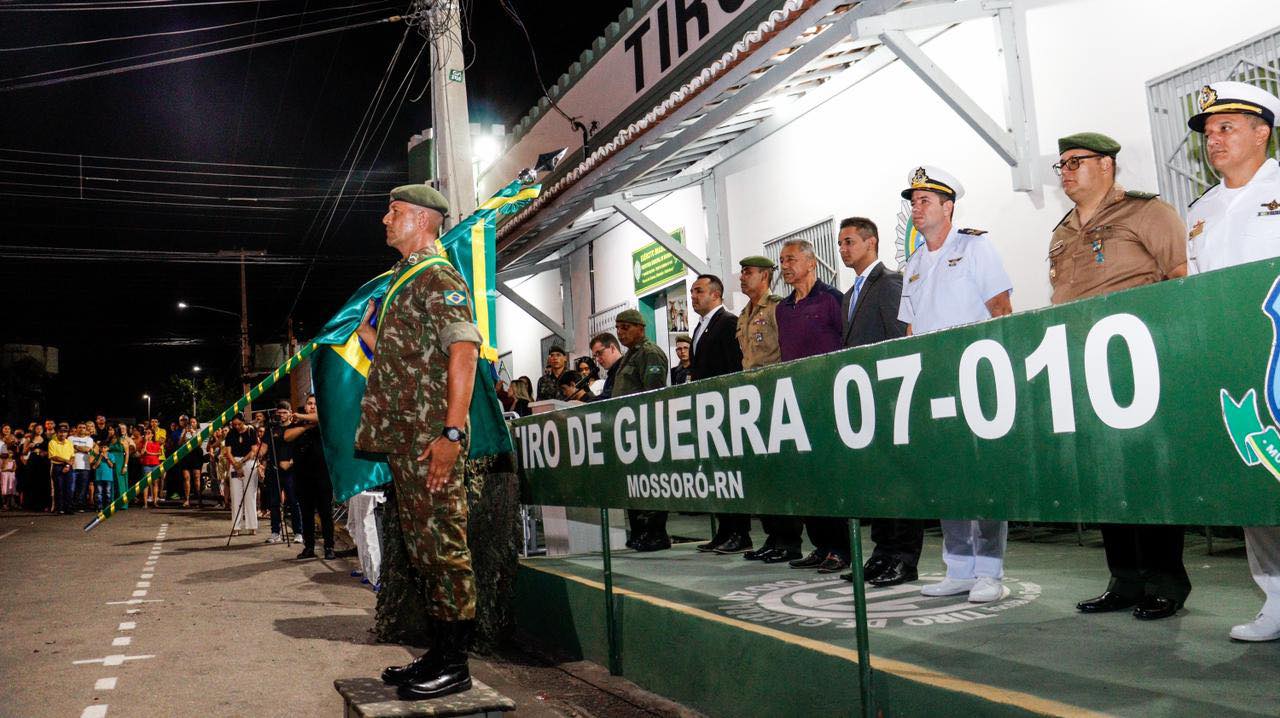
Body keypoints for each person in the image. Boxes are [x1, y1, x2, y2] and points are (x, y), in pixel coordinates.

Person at [1043, 131, 1191, 620]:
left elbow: (1180, 279)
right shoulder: (1062, 230)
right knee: (1106, 477)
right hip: (1082, 365)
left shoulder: (1149, 213)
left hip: (1138, 361)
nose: (1065, 171)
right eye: (1060, 165)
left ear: (1106, 165)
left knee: (1149, 475)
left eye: (1075, 162)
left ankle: (1165, 581)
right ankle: (1125, 579)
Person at [357, 183, 479, 700]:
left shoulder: (439, 276)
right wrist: (369, 335)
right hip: (409, 440)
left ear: (424, 220)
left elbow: (464, 351)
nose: (386, 218)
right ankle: (438, 651)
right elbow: (403, 352)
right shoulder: (403, 280)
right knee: (423, 551)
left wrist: (452, 432)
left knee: (444, 549)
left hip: (432, 439)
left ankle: (456, 662)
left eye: (396, 211)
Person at [1181, 82, 1280, 640]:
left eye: (1227, 127)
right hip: (1235, 359)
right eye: (1208, 132)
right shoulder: (1201, 210)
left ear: (1262, 131)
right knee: (1257, 475)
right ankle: (1276, 600)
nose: (1213, 140)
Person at [898, 165, 1013, 603]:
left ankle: (990, 570)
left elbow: (1001, 308)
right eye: (913, 200)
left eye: (925, 199)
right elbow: (909, 330)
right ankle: (959, 566)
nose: (916, 206)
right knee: (947, 473)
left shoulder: (975, 247)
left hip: (975, 374)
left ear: (949, 206)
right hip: (933, 380)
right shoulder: (912, 263)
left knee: (982, 474)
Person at [833, 217, 921, 587]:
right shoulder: (849, 294)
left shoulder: (889, 283)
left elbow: (898, 340)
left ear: (872, 242)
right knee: (878, 482)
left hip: (889, 397)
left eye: (849, 241)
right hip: (864, 398)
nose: (843, 249)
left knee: (899, 480)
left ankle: (903, 558)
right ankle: (882, 554)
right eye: (840, 243)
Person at [774, 239, 849, 574]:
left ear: (811, 262)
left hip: (829, 399)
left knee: (832, 477)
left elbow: (847, 344)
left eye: (791, 259)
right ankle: (821, 545)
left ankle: (842, 549)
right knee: (808, 478)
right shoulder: (782, 308)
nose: (785, 266)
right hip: (797, 401)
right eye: (782, 261)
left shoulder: (832, 299)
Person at [735, 255, 803, 564]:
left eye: (748, 272)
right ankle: (773, 537)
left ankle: (789, 541)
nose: (742, 277)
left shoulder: (776, 308)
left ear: (765, 276)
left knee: (782, 474)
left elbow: (786, 351)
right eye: (742, 272)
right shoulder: (744, 314)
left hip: (776, 395)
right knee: (762, 475)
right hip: (753, 400)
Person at [687, 274, 748, 554]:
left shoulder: (727, 323)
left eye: (699, 291)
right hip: (706, 409)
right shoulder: (699, 327)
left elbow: (733, 365)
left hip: (725, 408)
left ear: (716, 294)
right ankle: (724, 530)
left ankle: (739, 532)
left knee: (730, 471)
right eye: (692, 292)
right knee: (716, 474)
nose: (693, 296)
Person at [612, 308, 671, 551]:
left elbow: (653, 394)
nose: (620, 333)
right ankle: (639, 531)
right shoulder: (629, 356)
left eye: (626, 328)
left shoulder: (650, 354)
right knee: (634, 483)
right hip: (629, 430)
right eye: (618, 328)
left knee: (649, 481)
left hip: (645, 428)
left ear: (640, 328)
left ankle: (655, 533)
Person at [285, 394, 336, 560]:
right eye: (309, 403)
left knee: (325, 513)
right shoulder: (298, 424)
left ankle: (329, 547)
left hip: (322, 475)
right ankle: (309, 547)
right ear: (305, 406)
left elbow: (321, 417)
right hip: (302, 476)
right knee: (306, 513)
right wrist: (305, 427)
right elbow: (287, 436)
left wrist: (301, 416)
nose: (312, 406)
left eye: (315, 404)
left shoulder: (325, 421)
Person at [261, 401, 303, 545]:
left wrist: (291, 462)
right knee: (274, 502)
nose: (282, 415)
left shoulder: (295, 427)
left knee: (294, 501)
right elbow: (264, 448)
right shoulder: (272, 428)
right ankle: (275, 532)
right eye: (279, 413)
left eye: (284, 412)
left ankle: (298, 532)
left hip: (291, 469)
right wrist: (258, 454)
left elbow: (300, 448)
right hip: (274, 469)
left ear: (290, 412)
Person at [223, 414, 259, 534]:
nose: (237, 426)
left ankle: (252, 526)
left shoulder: (251, 431)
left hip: (248, 461)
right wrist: (235, 464)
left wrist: (242, 462)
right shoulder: (231, 433)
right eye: (234, 424)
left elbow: (254, 450)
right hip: (235, 462)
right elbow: (228, 452)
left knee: (250, 495)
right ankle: (236, 526)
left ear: (244, 422)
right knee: (236, 496)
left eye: (239, 424)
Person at [47, 424, 74, 515]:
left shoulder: (69, 442)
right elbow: (53, 456)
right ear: (57, 433)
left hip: (68, 467)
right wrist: (66, 461)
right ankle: (59, 508)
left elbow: (72, 456)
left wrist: (67, 466)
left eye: (65, 432)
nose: (62, 434)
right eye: (61, 432)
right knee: (59, 488)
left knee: (68, 488)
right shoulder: (52, 442)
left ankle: (68, 508)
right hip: (57, 467)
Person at [588, 333, 625, 401]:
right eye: (595, 356)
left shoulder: (625, 369)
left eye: (599, 353)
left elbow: (609, 399)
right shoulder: (612, 375)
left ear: (612, 348)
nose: (597, 359)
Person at [180, 416, 204, 508]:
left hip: (196, 455)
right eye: (191, 422)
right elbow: (180, 443)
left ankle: (199, 499)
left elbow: (200, 444)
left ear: (196, 423)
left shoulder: (199, 431)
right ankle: (187, 500)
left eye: (194, 422)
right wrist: (184, 433)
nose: (192, 424)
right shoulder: (185, 431)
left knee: (197, 477)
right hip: (186, 455)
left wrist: (193, 434)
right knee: (186, 477)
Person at [70, 422, 94, 512]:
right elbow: (69, 449)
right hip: (73, 466)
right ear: (76, 428)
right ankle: (71, 506)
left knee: (82, 488)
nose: (81, 429)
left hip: (85, 467)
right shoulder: (70, 438)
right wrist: (82, 449)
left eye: (83, 427)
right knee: (72, 488)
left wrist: (75, 446)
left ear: (86, 429)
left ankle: (80, 506)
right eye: (79, 427)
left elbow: (87, 449)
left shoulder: (89, 439)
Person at [139, 429, 163, 508]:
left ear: (152, 434)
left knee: (155, 483)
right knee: (146, 483)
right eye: (146, 433)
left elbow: (160, 453)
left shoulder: (156, 443)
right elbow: (142, 452)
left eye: (149, 433)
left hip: (155, 464)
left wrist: (150, 453)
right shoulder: (143, 442)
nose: (147, 434)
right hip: (146, 465)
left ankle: (155, 501)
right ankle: (145, 503)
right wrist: (146, 441)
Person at [91, 433, 115, 512]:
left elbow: (111, 465)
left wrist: (107, 458)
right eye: (101, 447)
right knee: (99, 493)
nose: (103, 449)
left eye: (105, 447)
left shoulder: (111, 455)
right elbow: (94, 466)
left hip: (108, 477)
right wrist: (100, 458)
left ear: (108, 448)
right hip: (99, 477)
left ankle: (107, 507)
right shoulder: (97, 456)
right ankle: (99, 507)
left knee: (108, 493)